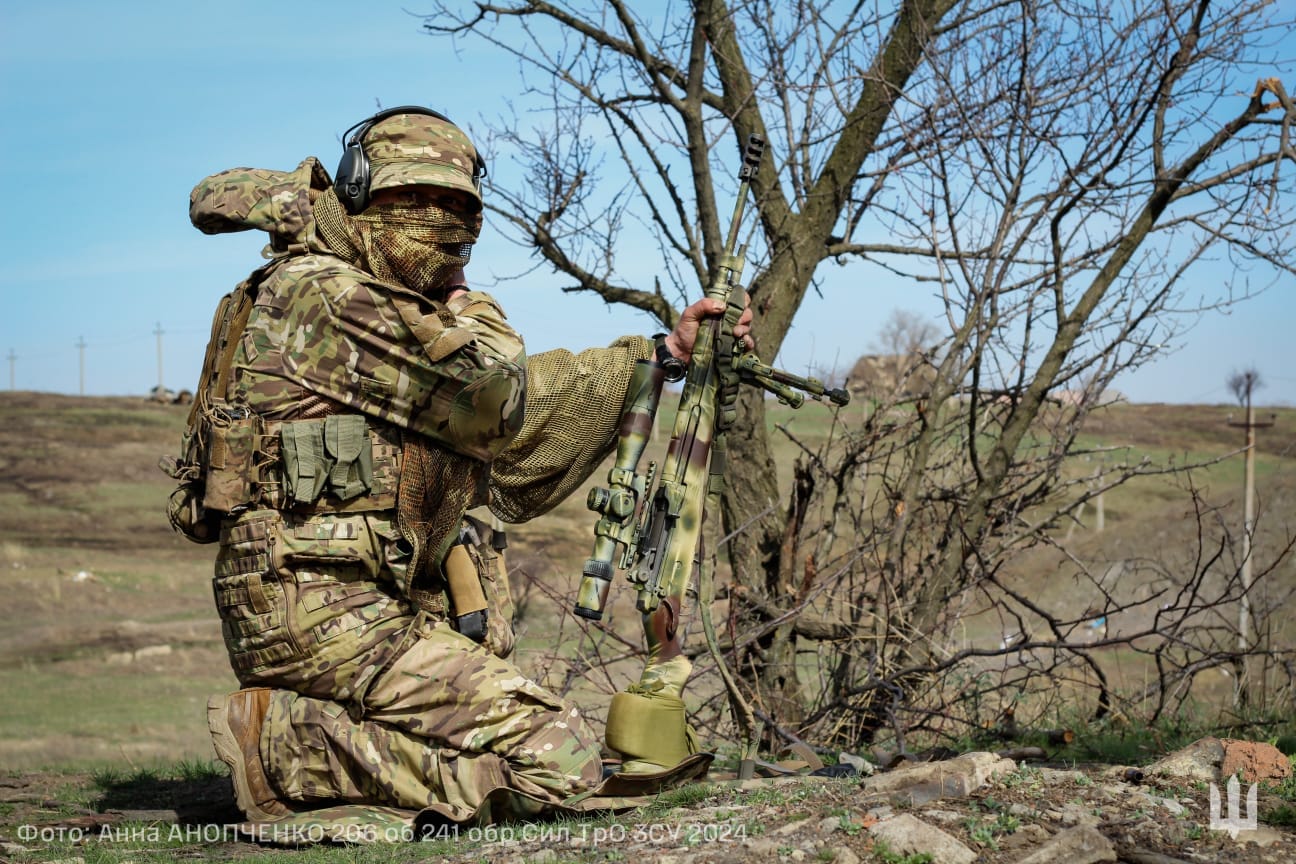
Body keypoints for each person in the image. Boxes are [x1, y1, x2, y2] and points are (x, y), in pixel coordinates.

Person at [179, 106, 752, 826]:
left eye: (457, 205)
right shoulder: (326, 292)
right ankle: (285, 749)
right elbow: (494, 399)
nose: (441, 222)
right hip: (319, 609)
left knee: (521, 748)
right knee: (566, 761)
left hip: (356, 604)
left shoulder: (369, 297)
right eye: (412, 198)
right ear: (357, 194)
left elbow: (512, 407)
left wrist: (664, 355)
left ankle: (346, 741)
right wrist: (468, 301)